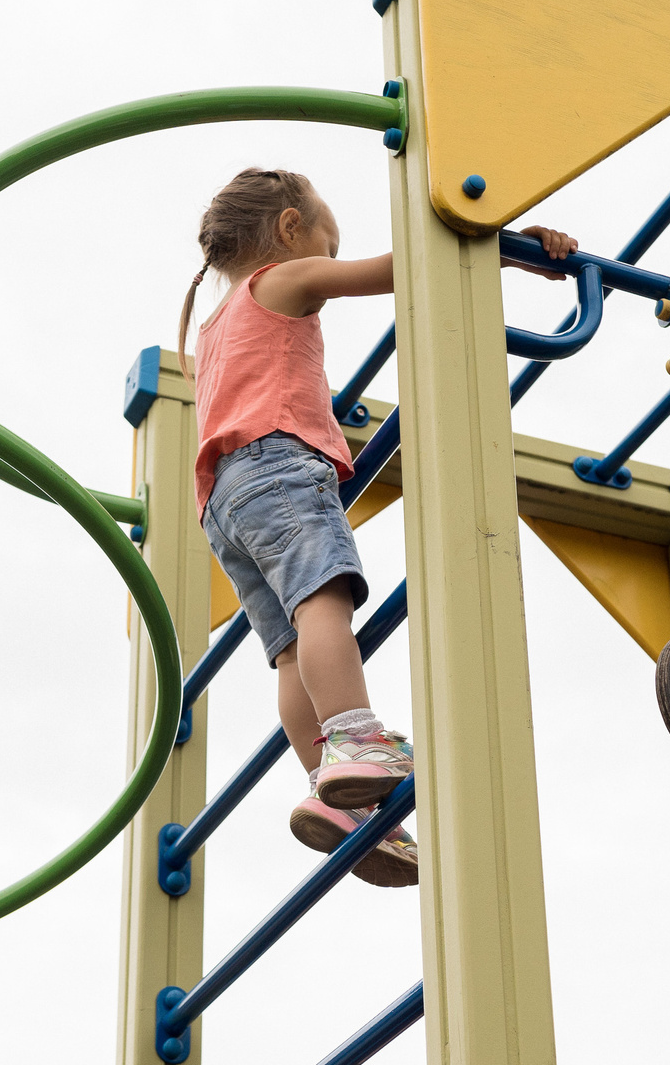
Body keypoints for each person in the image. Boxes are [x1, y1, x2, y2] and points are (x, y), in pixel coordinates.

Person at [175, 167, 578, 887]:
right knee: (323, 601)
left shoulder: (212, 326)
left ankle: (338, 799)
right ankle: (356, 739)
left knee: (291, 653)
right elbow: (414, 266)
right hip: (277, 463)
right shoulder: (285, 276)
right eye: (331, 235)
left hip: (222, 502)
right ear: (292, 228)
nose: (333, 250)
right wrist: (510, 246)